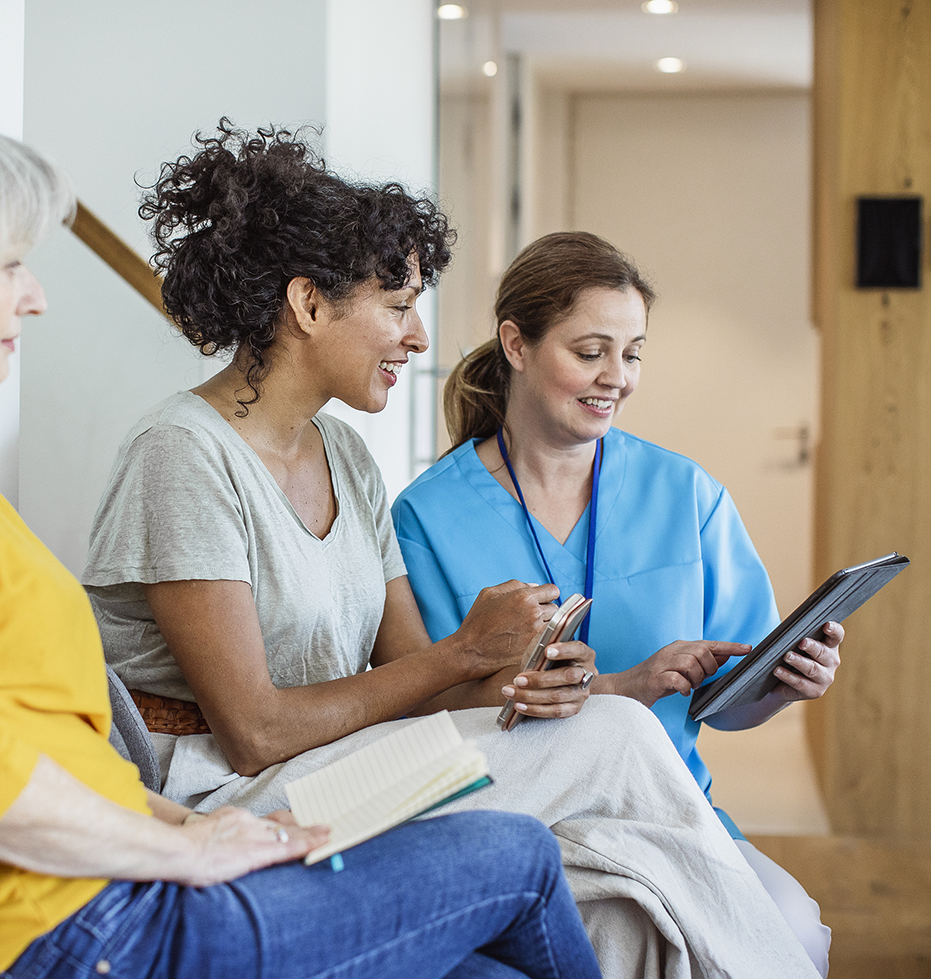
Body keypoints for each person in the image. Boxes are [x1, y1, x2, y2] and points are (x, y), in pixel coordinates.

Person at [0, 103, 605, 979]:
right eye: (8, 264)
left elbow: (53, 751)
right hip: (77, 932)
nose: (34, 295)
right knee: (521, 856)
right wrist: (187, 855)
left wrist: (208, 830)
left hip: (114, 892)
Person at [83, 122, 819, 979]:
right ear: (309, 305)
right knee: (617, 742)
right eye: (398, 306)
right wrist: (470, 649)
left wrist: (530, 680)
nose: (421, 337)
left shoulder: (347, 460)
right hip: (228, 798)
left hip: (342, 766)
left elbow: (419, 681)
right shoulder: (182, 455)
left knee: (623, 893)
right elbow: (254, 731)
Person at [391, 230, 839, 976]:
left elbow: (726, 700)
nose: (617, 377)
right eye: (591, 351)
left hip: (670, 815)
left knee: (794, 930)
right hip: (522, 823)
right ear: (517, 343)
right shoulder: (425, 516)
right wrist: (618, 688)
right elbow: (433, 712)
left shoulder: (686, 494)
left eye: (632, 353)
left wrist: (784, 685)